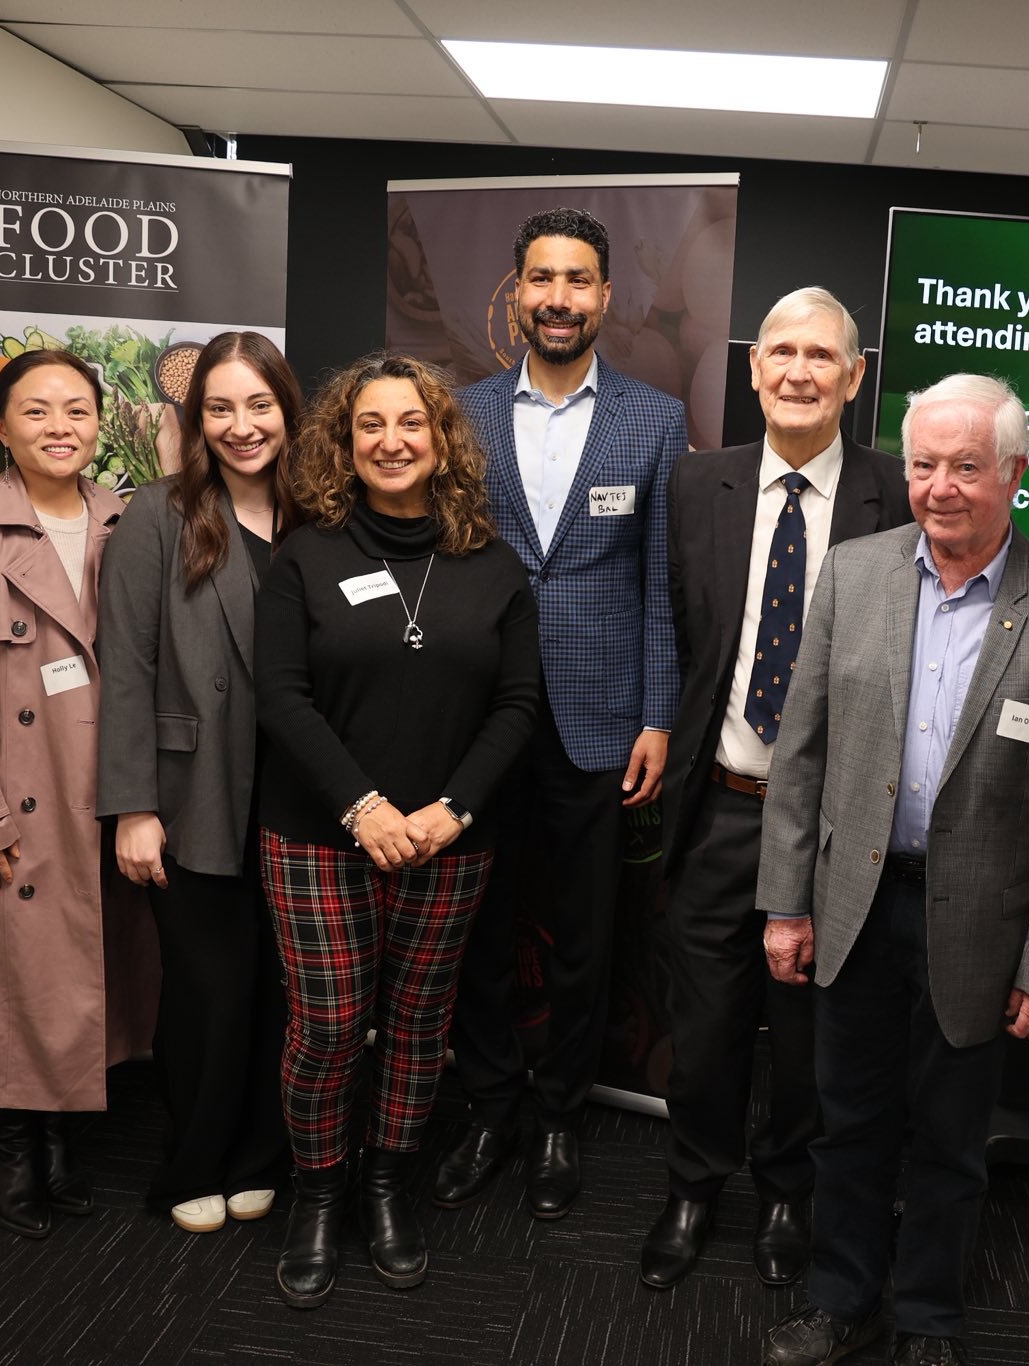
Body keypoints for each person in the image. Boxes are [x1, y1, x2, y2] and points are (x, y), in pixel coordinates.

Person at [757, 374, 1029, 1366]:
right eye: (923, 464)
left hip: (980, 927)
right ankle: (838, 1296)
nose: (941, 486)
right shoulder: (852, 574)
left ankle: (926, 1315)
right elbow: (802, 756)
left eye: (966, 465)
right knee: (848, 1123)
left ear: (1012, 471)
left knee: (951, 1141)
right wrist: (784, 903)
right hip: (853, 907)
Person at [255, 352, 539, 1308]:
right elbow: (282, 697)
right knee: (332, 1024)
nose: (391, 441)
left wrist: (452, 809)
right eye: (370, 425)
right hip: (318, 832)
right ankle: (320, 1193)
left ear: (442, 439)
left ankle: (386, 1187)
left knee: (419, 1026)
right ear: (344, 440)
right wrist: (362, 806)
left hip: (446, 841)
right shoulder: (306, 554)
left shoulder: (492, 565)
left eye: (411, 423)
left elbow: (518, 704)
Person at [640, 287, 910, 1290]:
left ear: (853, 376)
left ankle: (788, 1191)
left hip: (836, 826)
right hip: (717, 801)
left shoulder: (896, 493)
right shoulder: (694, 483)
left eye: (820, 356)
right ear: (752, 370)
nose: (798, 371)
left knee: (807, 1033)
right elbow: (663, 622)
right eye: (780, 352)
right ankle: (693, 1183)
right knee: (703, 1025)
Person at [438, 206, 686, 1221]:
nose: (557, 298)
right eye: (540, 279)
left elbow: (663, 582)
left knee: (587, 935)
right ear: (516, 292)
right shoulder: (460, 413)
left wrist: (657, 713)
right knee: (479, 929)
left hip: (597, 716)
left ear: (604, 297)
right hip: (478, 717)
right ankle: (491, 1102)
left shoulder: (652, 419)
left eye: (576, 280)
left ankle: (554, 1116)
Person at [0, 348, 158, 1240]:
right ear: (2, 426)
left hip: (105, 785)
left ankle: (61, 1145)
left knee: (79, 972)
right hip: (15, 794)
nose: (61, 428)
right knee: (18, 972)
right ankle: (14, 1145)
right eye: (38, 411)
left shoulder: (127, 521)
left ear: (101, 422)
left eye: (78, 411)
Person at [97, 332, 303, 1235]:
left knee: (287, 991)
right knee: (208, 989)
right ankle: (193, 1163)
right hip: (195, 792)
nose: (241, 425)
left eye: (259, 404)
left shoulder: (324, 515)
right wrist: (134, 806)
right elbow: (127, 666)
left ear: (288, 410)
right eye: (220, 407)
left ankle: (262, 1154)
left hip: (303, 796)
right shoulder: (160, 513)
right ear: (195, 417)